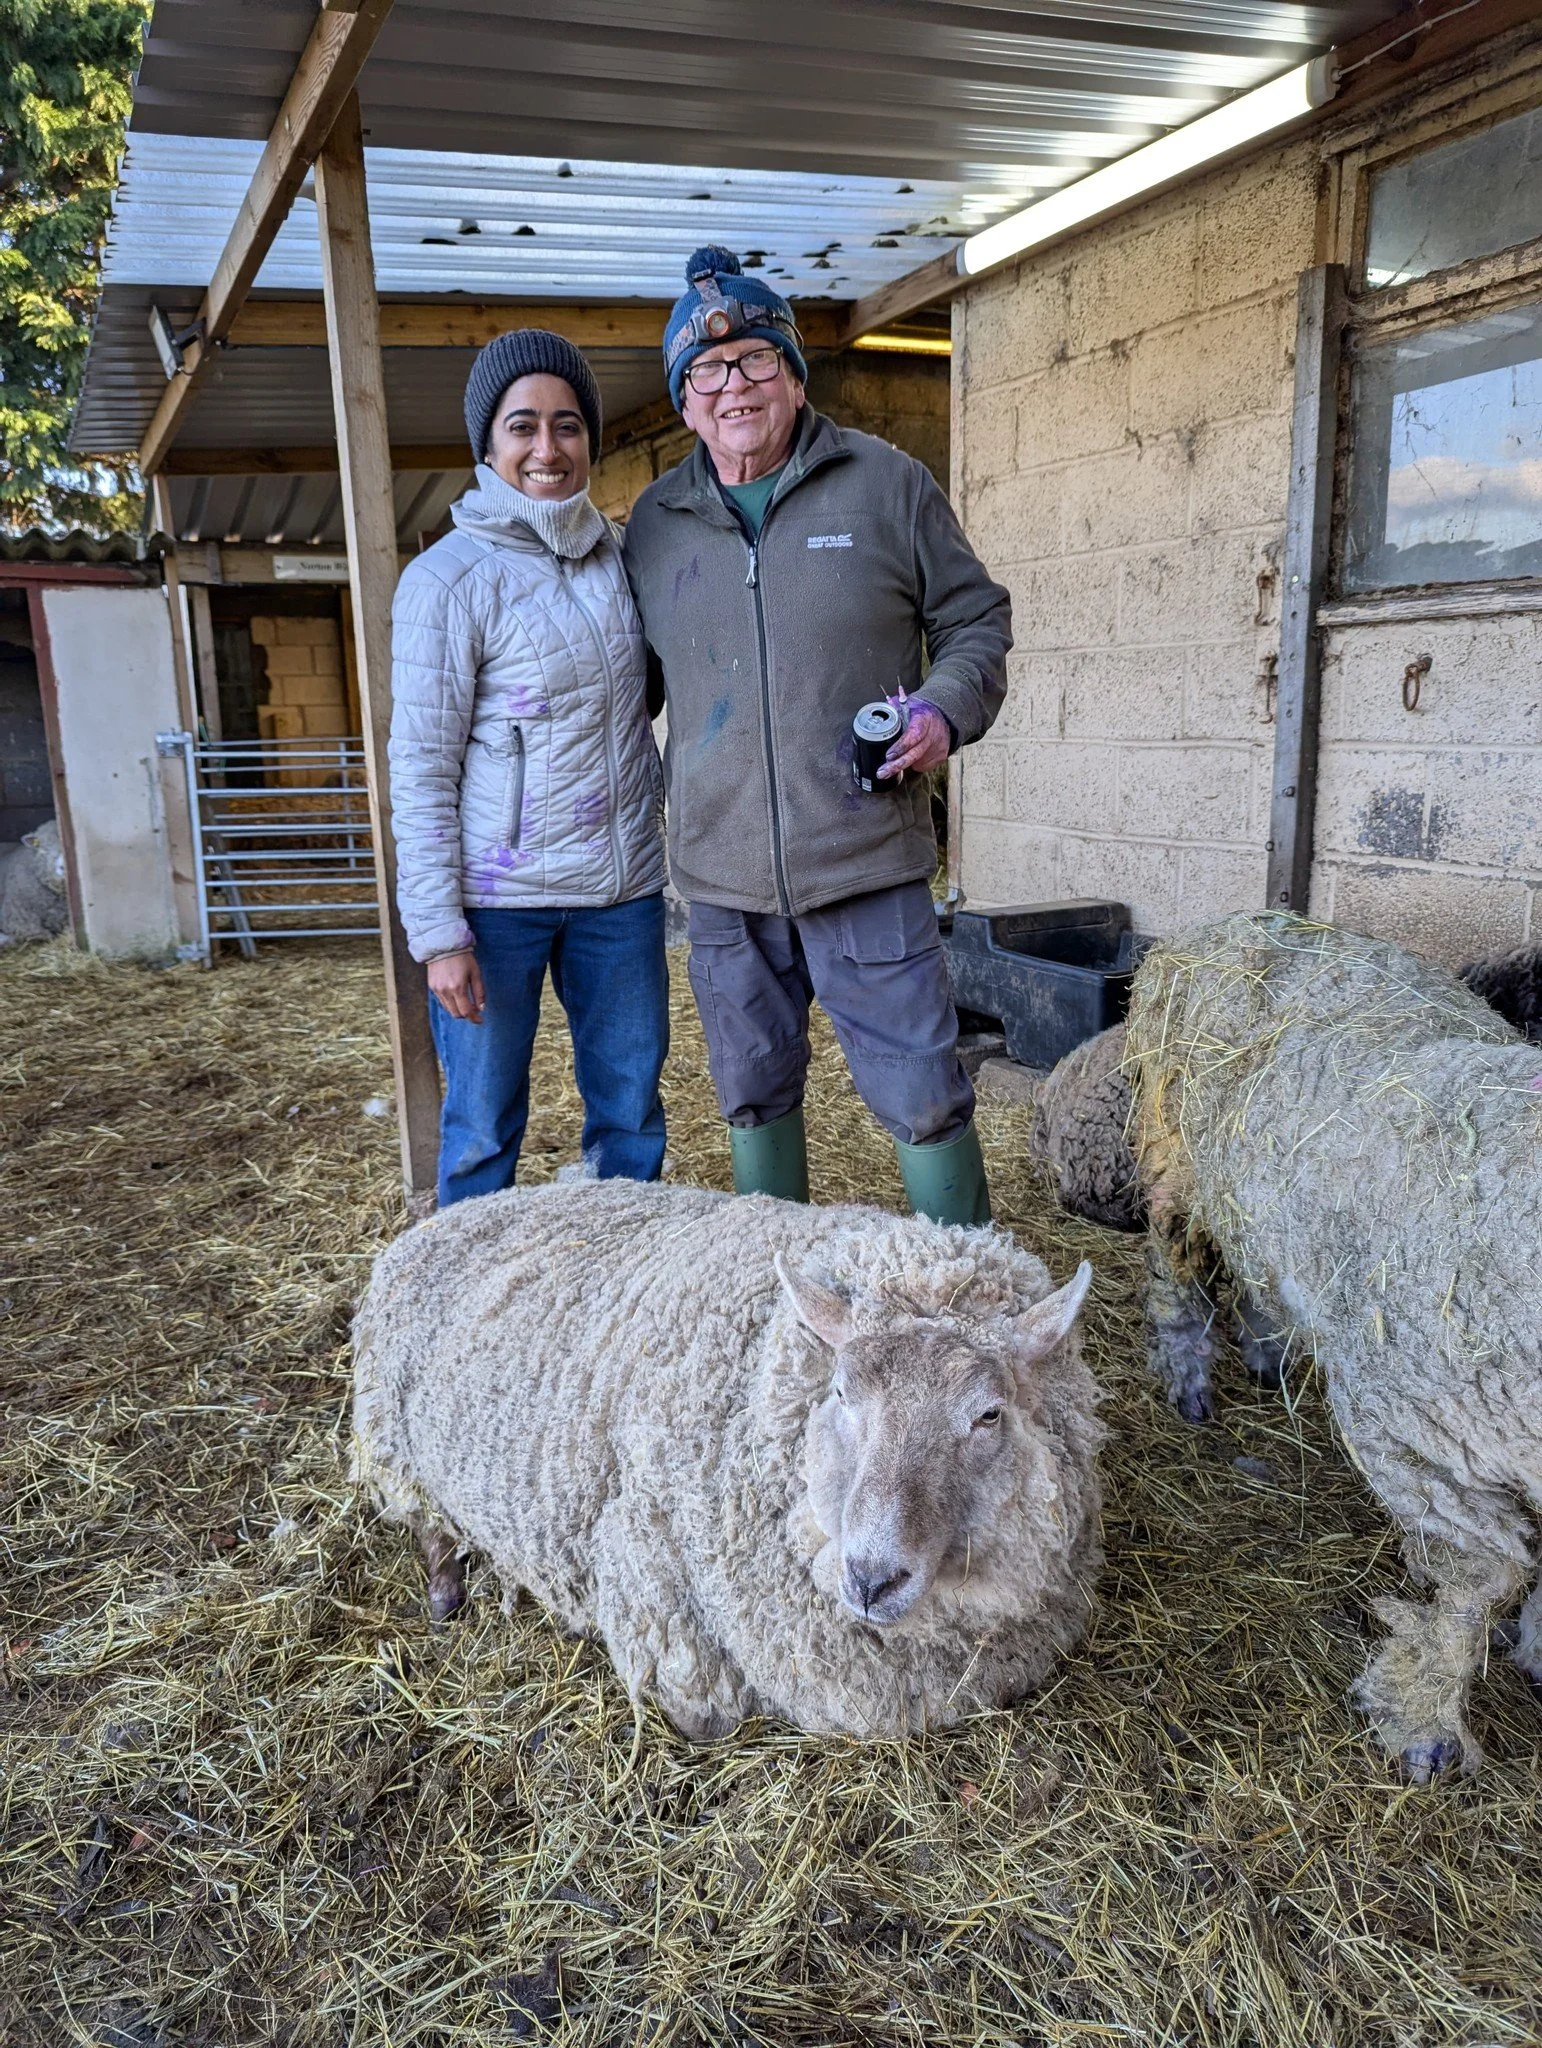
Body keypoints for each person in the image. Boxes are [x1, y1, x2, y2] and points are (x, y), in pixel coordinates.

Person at [623, 246, 1012, 1224]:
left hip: (867, 859)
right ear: (683, 400)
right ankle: (782, 1300)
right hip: (720, 881)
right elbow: (628, 685)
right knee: (752, 1090)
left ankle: (973, 1307)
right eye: (707, 371)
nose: (733, 386)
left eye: (755, 360)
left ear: (795, 373)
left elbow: (975, 620)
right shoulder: (655, 523)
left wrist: (941, 710)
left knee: (923, 1092)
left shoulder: (887, 484)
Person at [389, 329, 669, 1207]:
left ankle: (618, 1308)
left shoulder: (624, 559)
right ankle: (461, 1318)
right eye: (522, 427)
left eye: (567, 425)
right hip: (496, 905)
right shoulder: (446, 580)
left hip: (620, 892)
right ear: (487, 446)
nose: (546, 449)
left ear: (589, 437)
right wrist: (439, 937)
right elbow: (422, 767)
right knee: (481, 1126)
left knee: (628, 1117)